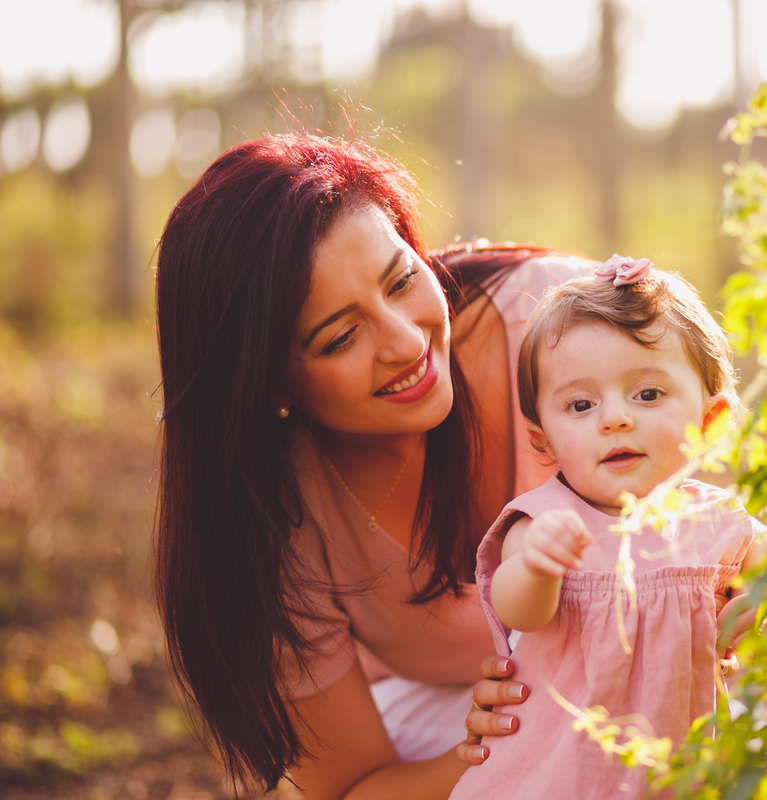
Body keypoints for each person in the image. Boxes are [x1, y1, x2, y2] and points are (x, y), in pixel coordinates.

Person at [153, 133, 596, 799]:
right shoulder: (274, 520)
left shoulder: (561, 326)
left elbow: (712, 531)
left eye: (402, 279)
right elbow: (352, 787)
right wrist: (483, 758)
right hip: (455, 714)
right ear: (269, 384)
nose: (407, 341)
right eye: (340, 336)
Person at [449, 257, 767, 800]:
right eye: (580, 404)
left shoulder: (722, 525)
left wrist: (765, 604)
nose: (614, 418)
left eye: (648, 395)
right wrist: (535, 567)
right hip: (551, 772)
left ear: (709, 422)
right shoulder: (546, 520)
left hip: (674, 773)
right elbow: (517, 609)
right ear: (543, 440)